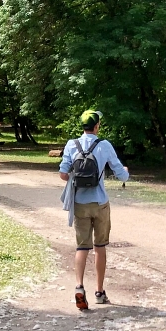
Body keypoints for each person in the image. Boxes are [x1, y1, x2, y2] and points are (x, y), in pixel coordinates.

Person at [59, 109, 130, 310]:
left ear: (82, 126)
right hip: (100, 203)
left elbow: (63, 175)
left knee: (82, 247)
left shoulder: (72, 144)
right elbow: (121, 175)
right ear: (97, 126)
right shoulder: (105, 145)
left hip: (79, 203)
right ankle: (99, 292)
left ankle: (79, 287)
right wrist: (125, 172)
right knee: (100, 247)